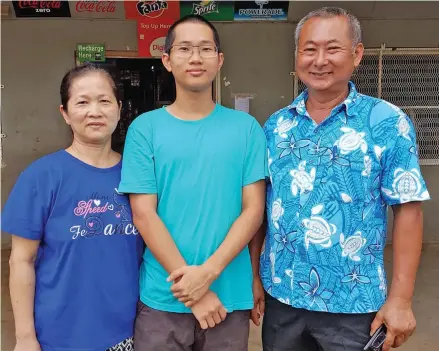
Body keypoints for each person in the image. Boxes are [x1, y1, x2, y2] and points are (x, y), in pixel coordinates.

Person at [254, 7, 430, 351]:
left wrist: (401, 299)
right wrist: (253, 278)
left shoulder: (386, 121)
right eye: (309, 49)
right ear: (297, 56)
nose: (319, 60)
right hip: (283, 297)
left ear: (357, 54)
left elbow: (408, 210)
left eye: (332, 48)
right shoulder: (277, 126)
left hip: (354, 305)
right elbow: (261, 207)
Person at [118, 14, 267, 351]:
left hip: (228, 295)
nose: (196, 58)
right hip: (163, 296)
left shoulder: (246, 129)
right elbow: (144, 214)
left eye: (205, 49)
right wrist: (193, 290)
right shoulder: (145, 129)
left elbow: (253, 211)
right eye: (184, 49)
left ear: (219, 60)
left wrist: (208, 275)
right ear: (168, 61)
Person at [3, 63, 143, 351]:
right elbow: (20, 261)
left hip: (130, 333)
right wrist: (25, 337)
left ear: (119, 108)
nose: (95, 111)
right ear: (65, 113)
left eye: (104, 101)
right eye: (82, 102)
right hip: (59, 335)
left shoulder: (139, 175)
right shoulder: (41, 177)